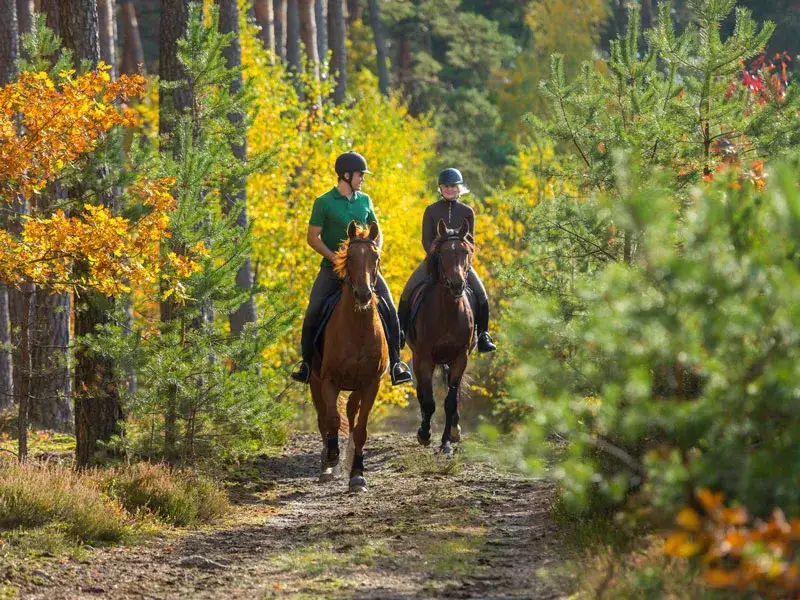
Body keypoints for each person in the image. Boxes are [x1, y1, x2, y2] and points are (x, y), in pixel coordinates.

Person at [291, 151, 413, 385]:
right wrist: (336, 259)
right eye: (360, 175)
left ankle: (396, 364)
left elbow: (377, 230)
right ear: (346, 176)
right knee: (313, 310)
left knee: (389, 308)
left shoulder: (365, 200)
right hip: (331, 269)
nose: (362, 179)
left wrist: (374, 253)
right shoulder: (323, 202)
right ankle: (306, 365)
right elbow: (312, 237)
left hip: (364, 269)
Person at [398, 167, 497, 353]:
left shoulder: (467, 212)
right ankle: (400, 332)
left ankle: (483, 335)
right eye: (446, 186)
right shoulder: (431, 210)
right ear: (440, 188)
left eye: (453, 186)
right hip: (434, 262)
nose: (449, 189)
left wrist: (463, 258)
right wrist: (436, 255)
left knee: (481, 294)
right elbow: (426, 240)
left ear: (459, 188)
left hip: (460, 264)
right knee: (408, 290)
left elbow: (471, 241)